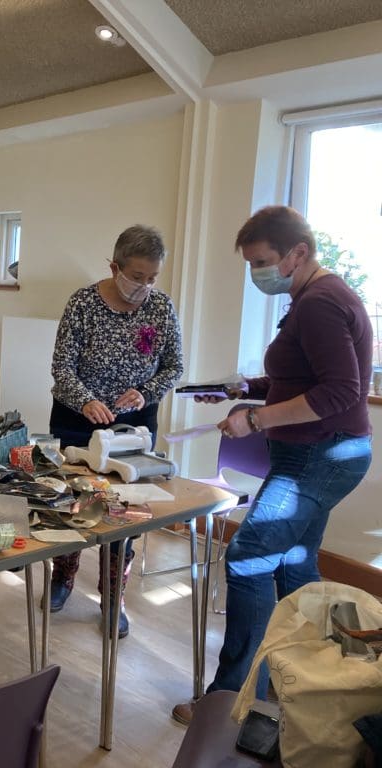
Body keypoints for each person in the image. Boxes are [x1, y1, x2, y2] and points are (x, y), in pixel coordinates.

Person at [172, 205, 372, 725]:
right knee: (294, 564)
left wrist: (256, 421)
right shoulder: (313, 297)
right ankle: (307, 687)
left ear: (297, 253)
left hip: (320, 455)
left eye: (261, 261)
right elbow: (302, 378)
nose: (256, 273)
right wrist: (244, 390)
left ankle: (232, 698)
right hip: (321, 452)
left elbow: (341, 392)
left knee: (248, 553)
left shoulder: (321, 303)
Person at [48, 224, 184, 638]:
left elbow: (174, 366)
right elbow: (61, 367)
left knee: (125, 511)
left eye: (152, 278)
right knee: (76, 506)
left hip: (134, 426)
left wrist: (145, 393)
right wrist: (87, 399)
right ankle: (64, 575)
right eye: (136, 276)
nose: (144, 286)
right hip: (79, 418)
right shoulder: (83, 304)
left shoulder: (160, 308)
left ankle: (113, 596)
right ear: (115, 266)